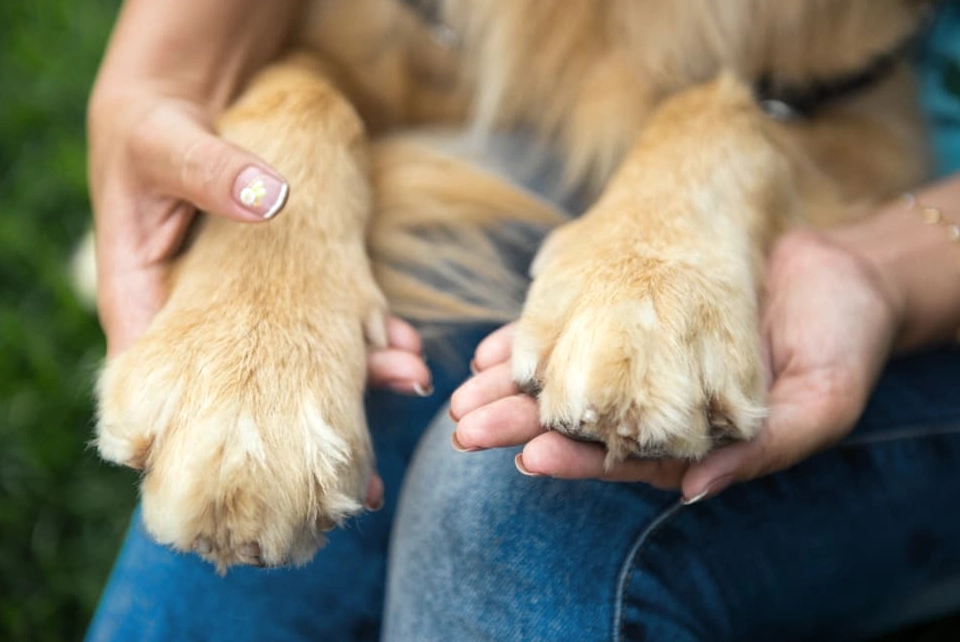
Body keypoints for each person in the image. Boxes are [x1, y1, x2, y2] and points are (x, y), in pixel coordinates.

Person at [85, 0, 960, 640]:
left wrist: (870, 270)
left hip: (923, 234)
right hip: (542, 132)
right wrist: (249, 164)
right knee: (337, 398)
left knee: (520, 500)